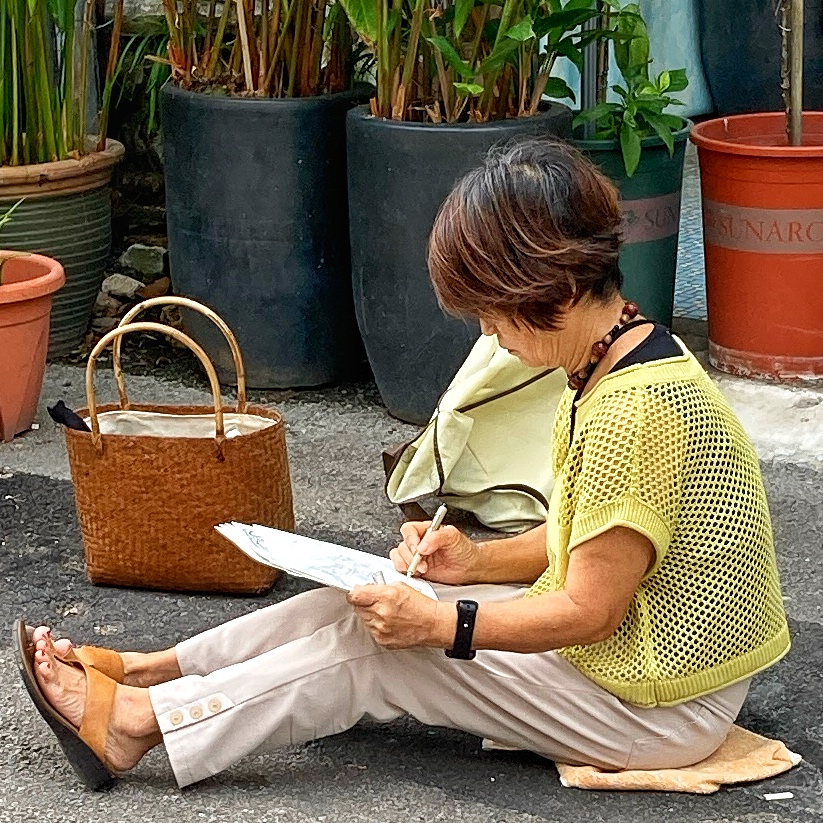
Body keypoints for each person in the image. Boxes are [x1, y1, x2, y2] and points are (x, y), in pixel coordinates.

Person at [16, 137, 790, 792]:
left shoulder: (632, 409)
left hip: (655, 704)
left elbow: (591, 610)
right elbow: (592, 536)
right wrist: (472, 563)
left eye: (490, 311)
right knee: (366, 601)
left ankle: (137, 724)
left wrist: (444, 621)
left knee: (381, 651)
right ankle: (150, 671)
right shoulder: (620, 355)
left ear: (546, 286)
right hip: (643, 668)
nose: (488, 334)